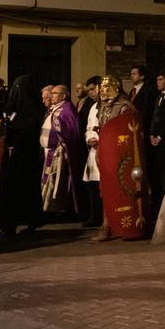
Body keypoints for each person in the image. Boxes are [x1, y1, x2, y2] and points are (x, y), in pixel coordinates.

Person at [84, 75, 137, 241]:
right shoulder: (102, 107)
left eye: (107, 88)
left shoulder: (124, 107)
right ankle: (107, 226)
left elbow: (127, 132)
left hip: (120, 156)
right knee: (106, 191)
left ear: (117, 88)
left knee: (122, 189)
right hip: (105, 153)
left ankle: (126, 225)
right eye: (102, 88)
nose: (103, 92)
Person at [0, 74, 44, 238]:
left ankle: (30, 221)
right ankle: (8, 224)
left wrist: (14, 130)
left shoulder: (33, 112)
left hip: (25, 157)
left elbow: (28, 132)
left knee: (25, 190)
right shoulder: (11, 109)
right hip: (11, 157)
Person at [41, 85, 81, 215]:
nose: (51, 95)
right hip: (49, 151)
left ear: (63, 96)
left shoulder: (67, 110)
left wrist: (63, 144)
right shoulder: (55, 109)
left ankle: (58, 208)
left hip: (59, 152)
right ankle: (49, 207)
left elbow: (72, 131)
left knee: (57, 181)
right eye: (51, 93)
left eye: (55, 93)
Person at [75, 76, 100, 224]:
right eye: (89, 90)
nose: (90, 93)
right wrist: (89, 137)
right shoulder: (93, 107)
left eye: (93, 89)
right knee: (92, 185)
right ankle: (94, 215)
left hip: (105, 148)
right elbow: (89, 127)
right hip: (93, 149)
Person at [148, 72, 165, 224]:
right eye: (157, 79)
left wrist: (160, 136)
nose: (158, 82)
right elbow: (154, 117)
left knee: (164, 171)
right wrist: (151, 134)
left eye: (161, 79)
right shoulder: (158, 97)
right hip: (154, 139)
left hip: (164, 140)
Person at [127, 65, 158, 142]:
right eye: (131, 74)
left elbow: (147, 110)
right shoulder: (132, 91)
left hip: (143, 127)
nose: (131, 76)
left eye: (134, 74)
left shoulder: (148, 90)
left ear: (142, 76)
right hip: (132, 126)